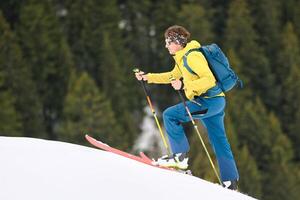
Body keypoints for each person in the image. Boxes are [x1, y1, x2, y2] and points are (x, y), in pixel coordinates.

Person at [135, 25, 239, 190]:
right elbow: (171, 76)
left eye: (168, 42)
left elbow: (209, 80)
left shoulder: (192, 57)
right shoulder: (181, 58)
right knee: (219, 141)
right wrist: (147, 77)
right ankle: (230, 182)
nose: (166, 45)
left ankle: (179, 157)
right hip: (215, 102)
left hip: (208, 101)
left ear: (177, 42)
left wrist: (184, 84)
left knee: (170, 115)